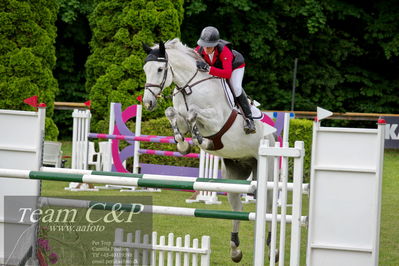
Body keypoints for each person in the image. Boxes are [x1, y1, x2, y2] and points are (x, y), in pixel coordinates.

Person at [194, 26, 256, 134]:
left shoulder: (224, 51)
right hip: (217, 68)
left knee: (236, 87)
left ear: (215, 44)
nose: (206, 49)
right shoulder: (198, 50)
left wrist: (208, 69)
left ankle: (249, 119)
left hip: (235, 66)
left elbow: (227, 74)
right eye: (204, 46)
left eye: (210, 46)